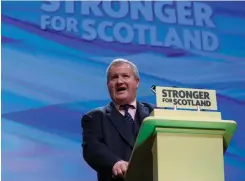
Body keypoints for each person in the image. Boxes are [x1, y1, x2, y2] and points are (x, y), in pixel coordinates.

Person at [81, 58, 154, 181]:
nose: (120, 81)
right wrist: (115, 162)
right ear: (108, 85)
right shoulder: (95, 117)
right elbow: (92, 148)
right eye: (114, 78)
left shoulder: (155, 113)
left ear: (137, 82)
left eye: (125, 76)